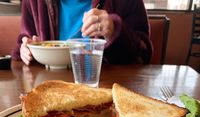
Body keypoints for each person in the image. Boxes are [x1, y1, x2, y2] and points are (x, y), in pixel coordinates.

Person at [12, 0, 153, 65]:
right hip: (48, 89)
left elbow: (143, 53)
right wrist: (26, 49)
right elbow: (26, 40)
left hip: (109, 88)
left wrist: (114, 31)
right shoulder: (33, 2)